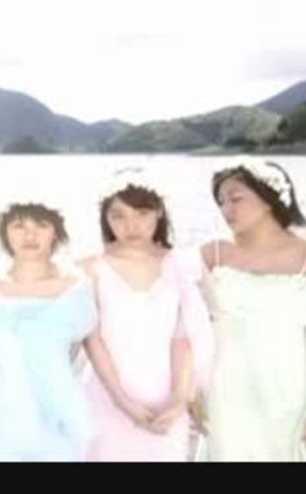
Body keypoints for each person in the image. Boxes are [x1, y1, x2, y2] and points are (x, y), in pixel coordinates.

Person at [193, 156, 306, 462]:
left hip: (288, 386)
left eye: (236, 199)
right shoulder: (211, 254)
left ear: (268, 198)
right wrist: (191, 393)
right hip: (225, 388)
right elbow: (190, 330)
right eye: (221, 202)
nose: (226, 210)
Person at [79, 169, 213, 461]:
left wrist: (178, 400)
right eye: (118, 216)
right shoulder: (90, 268)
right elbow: (92, 340)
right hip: (107, 393)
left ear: (159, 213)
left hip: (164, 397)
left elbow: (183, 339)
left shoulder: (181, 265)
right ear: (105, 219)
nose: (131, 226)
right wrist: (121, 400)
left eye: (142, 214)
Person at [0, 196, 98, 461]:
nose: (29, 235)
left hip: (61, 416)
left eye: (41, 225)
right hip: (2, 417)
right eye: (19, 225)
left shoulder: (77, 288)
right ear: (4, 232)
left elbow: (78, 349)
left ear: (56, 231)